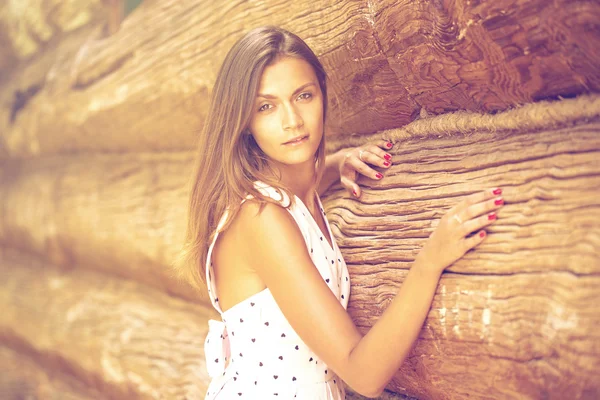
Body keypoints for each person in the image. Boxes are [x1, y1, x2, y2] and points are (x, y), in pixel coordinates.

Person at [174, 26, 504, 399]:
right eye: (265, 106)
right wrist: (430, 260)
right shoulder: (262, 219)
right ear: (244, 123)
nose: (292, 120)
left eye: (303, 96)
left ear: (323, 96)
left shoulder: (288, 196)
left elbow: (302, 185)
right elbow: (362, 373)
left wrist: (337, 163)